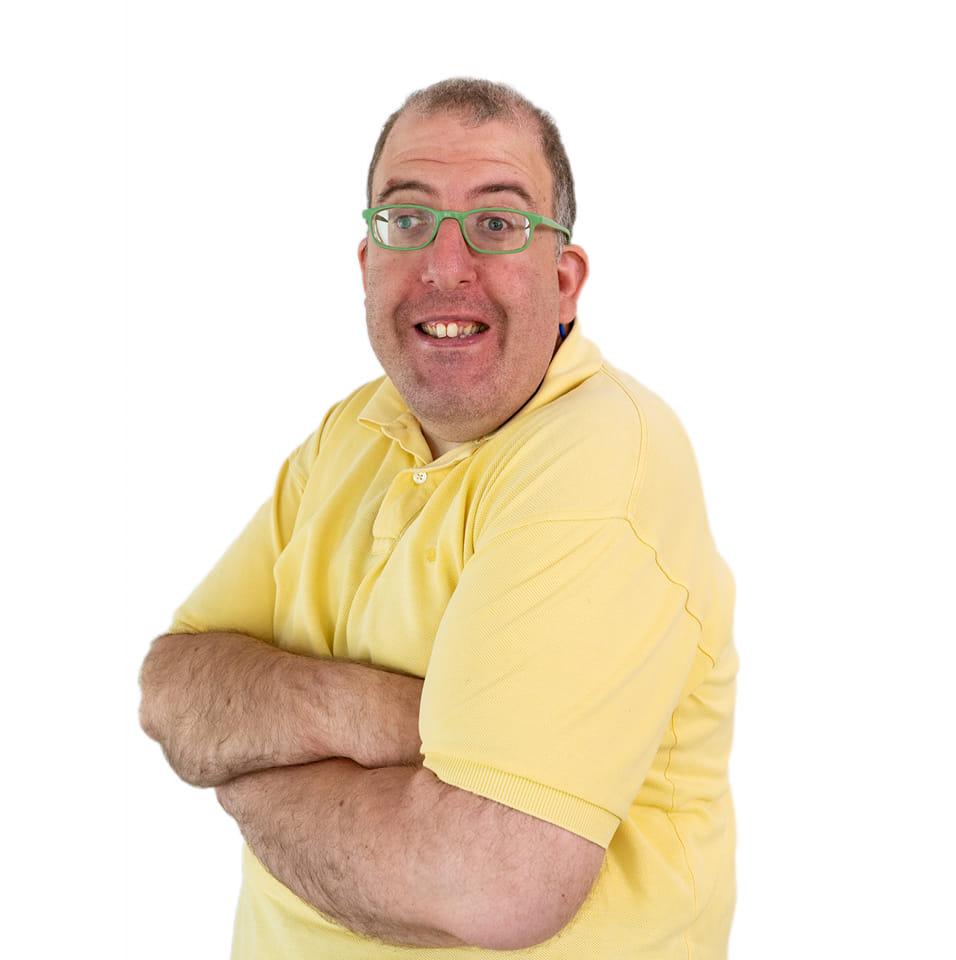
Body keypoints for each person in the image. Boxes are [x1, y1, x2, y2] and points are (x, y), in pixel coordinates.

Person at [138, 77, 738, 959]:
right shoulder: (352, 432)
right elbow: (171, 688)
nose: (445, 264)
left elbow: (494, 883)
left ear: (563, 280)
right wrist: (379, 717)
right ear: (367, 262)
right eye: (408, 219)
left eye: (496, 223)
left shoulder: (602, 455)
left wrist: (246, 772)